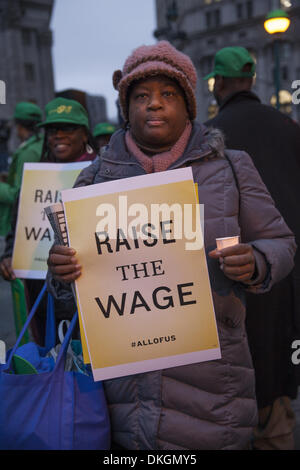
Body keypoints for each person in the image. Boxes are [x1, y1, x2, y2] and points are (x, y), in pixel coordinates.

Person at [46, 41, 296, 450]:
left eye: (168, 94)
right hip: (124, 395)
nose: (154, 105)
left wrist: (256, 261)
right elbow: (68, 290)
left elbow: (282, 244)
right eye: (141, 96)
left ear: (189, 105)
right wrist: (61, 273)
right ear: (126, 108)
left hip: (216, 388)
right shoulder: (93, 182)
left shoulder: (232, 166)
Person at [204, 46, 300, 450]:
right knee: (277, 382)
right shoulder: (290, 128)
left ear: (218, 84)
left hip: (229, 279)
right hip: (286, 273)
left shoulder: (208, 139)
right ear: (253, 81)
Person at [0, 97, 97, 344]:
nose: (58, 135)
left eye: (68, 128)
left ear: (85, 134)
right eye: (52, 130)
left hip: (87, 285)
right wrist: (9, 255)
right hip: (40, 288)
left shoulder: (104, 172)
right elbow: (18, 225)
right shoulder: (35, 176)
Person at [0, 102, 43, 237]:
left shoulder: (27, 152)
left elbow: (18, 195)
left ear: (18, 126)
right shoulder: (40, 144)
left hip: (21, 223)